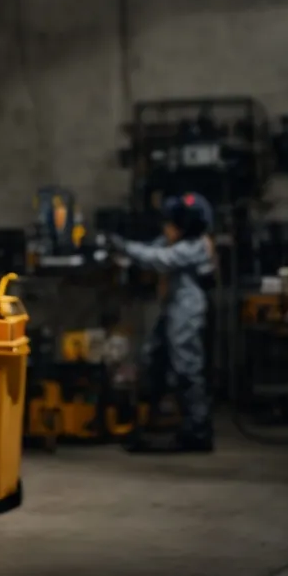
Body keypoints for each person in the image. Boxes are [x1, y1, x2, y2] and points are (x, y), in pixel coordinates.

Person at [117, 192, 217, 453]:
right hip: (172, 309)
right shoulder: (175, 240)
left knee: (186, 368)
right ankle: (154, 422)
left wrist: (122, 246)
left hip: (187, 311)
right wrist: (126, 253)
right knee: (154, 358)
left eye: (171, 223)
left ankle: (198, 431)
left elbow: (161, 259)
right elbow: (153, 249)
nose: (166, 228)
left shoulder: (196, 246)